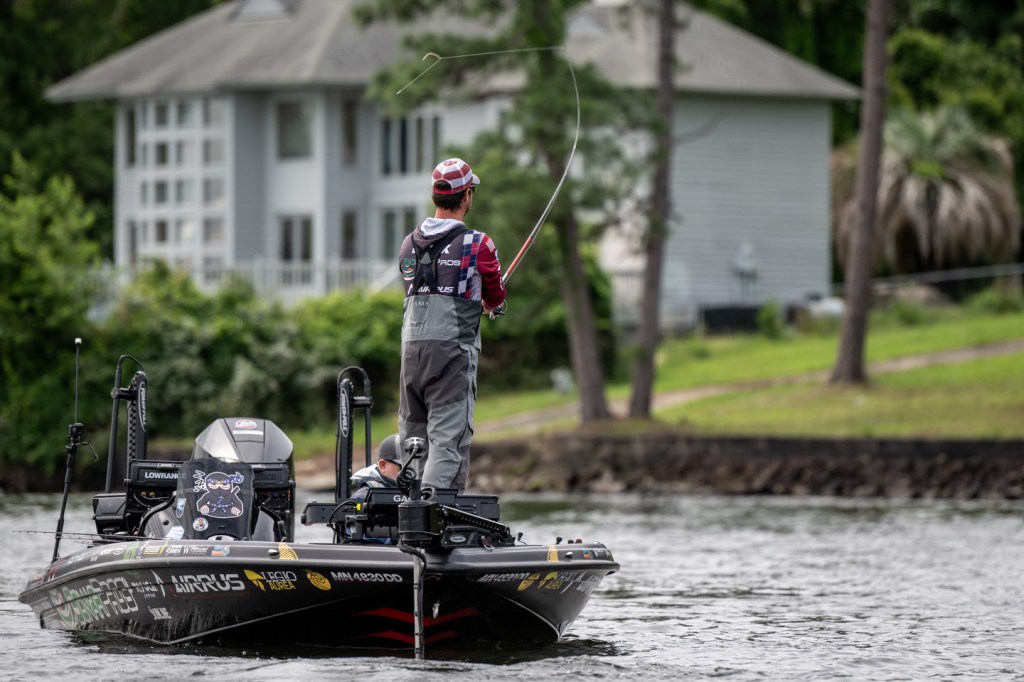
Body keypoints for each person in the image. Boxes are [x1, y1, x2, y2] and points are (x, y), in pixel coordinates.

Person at [397, 158, 506, 495]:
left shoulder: (407, 244)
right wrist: (488, 304)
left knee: (413, 439)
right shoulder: (479, 244)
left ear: (436, 196)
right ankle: (434, 515)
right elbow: (495, 295)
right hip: (451, 352)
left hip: (411, 353)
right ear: (467, 196)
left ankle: (407, 509)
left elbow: (414, 287)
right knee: (448, 440)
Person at [349, 433, 403, 501]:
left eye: (413, 466)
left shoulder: (415, 491)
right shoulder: (363, 498)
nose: (411, 473)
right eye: (404, 466)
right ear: (383, 465)